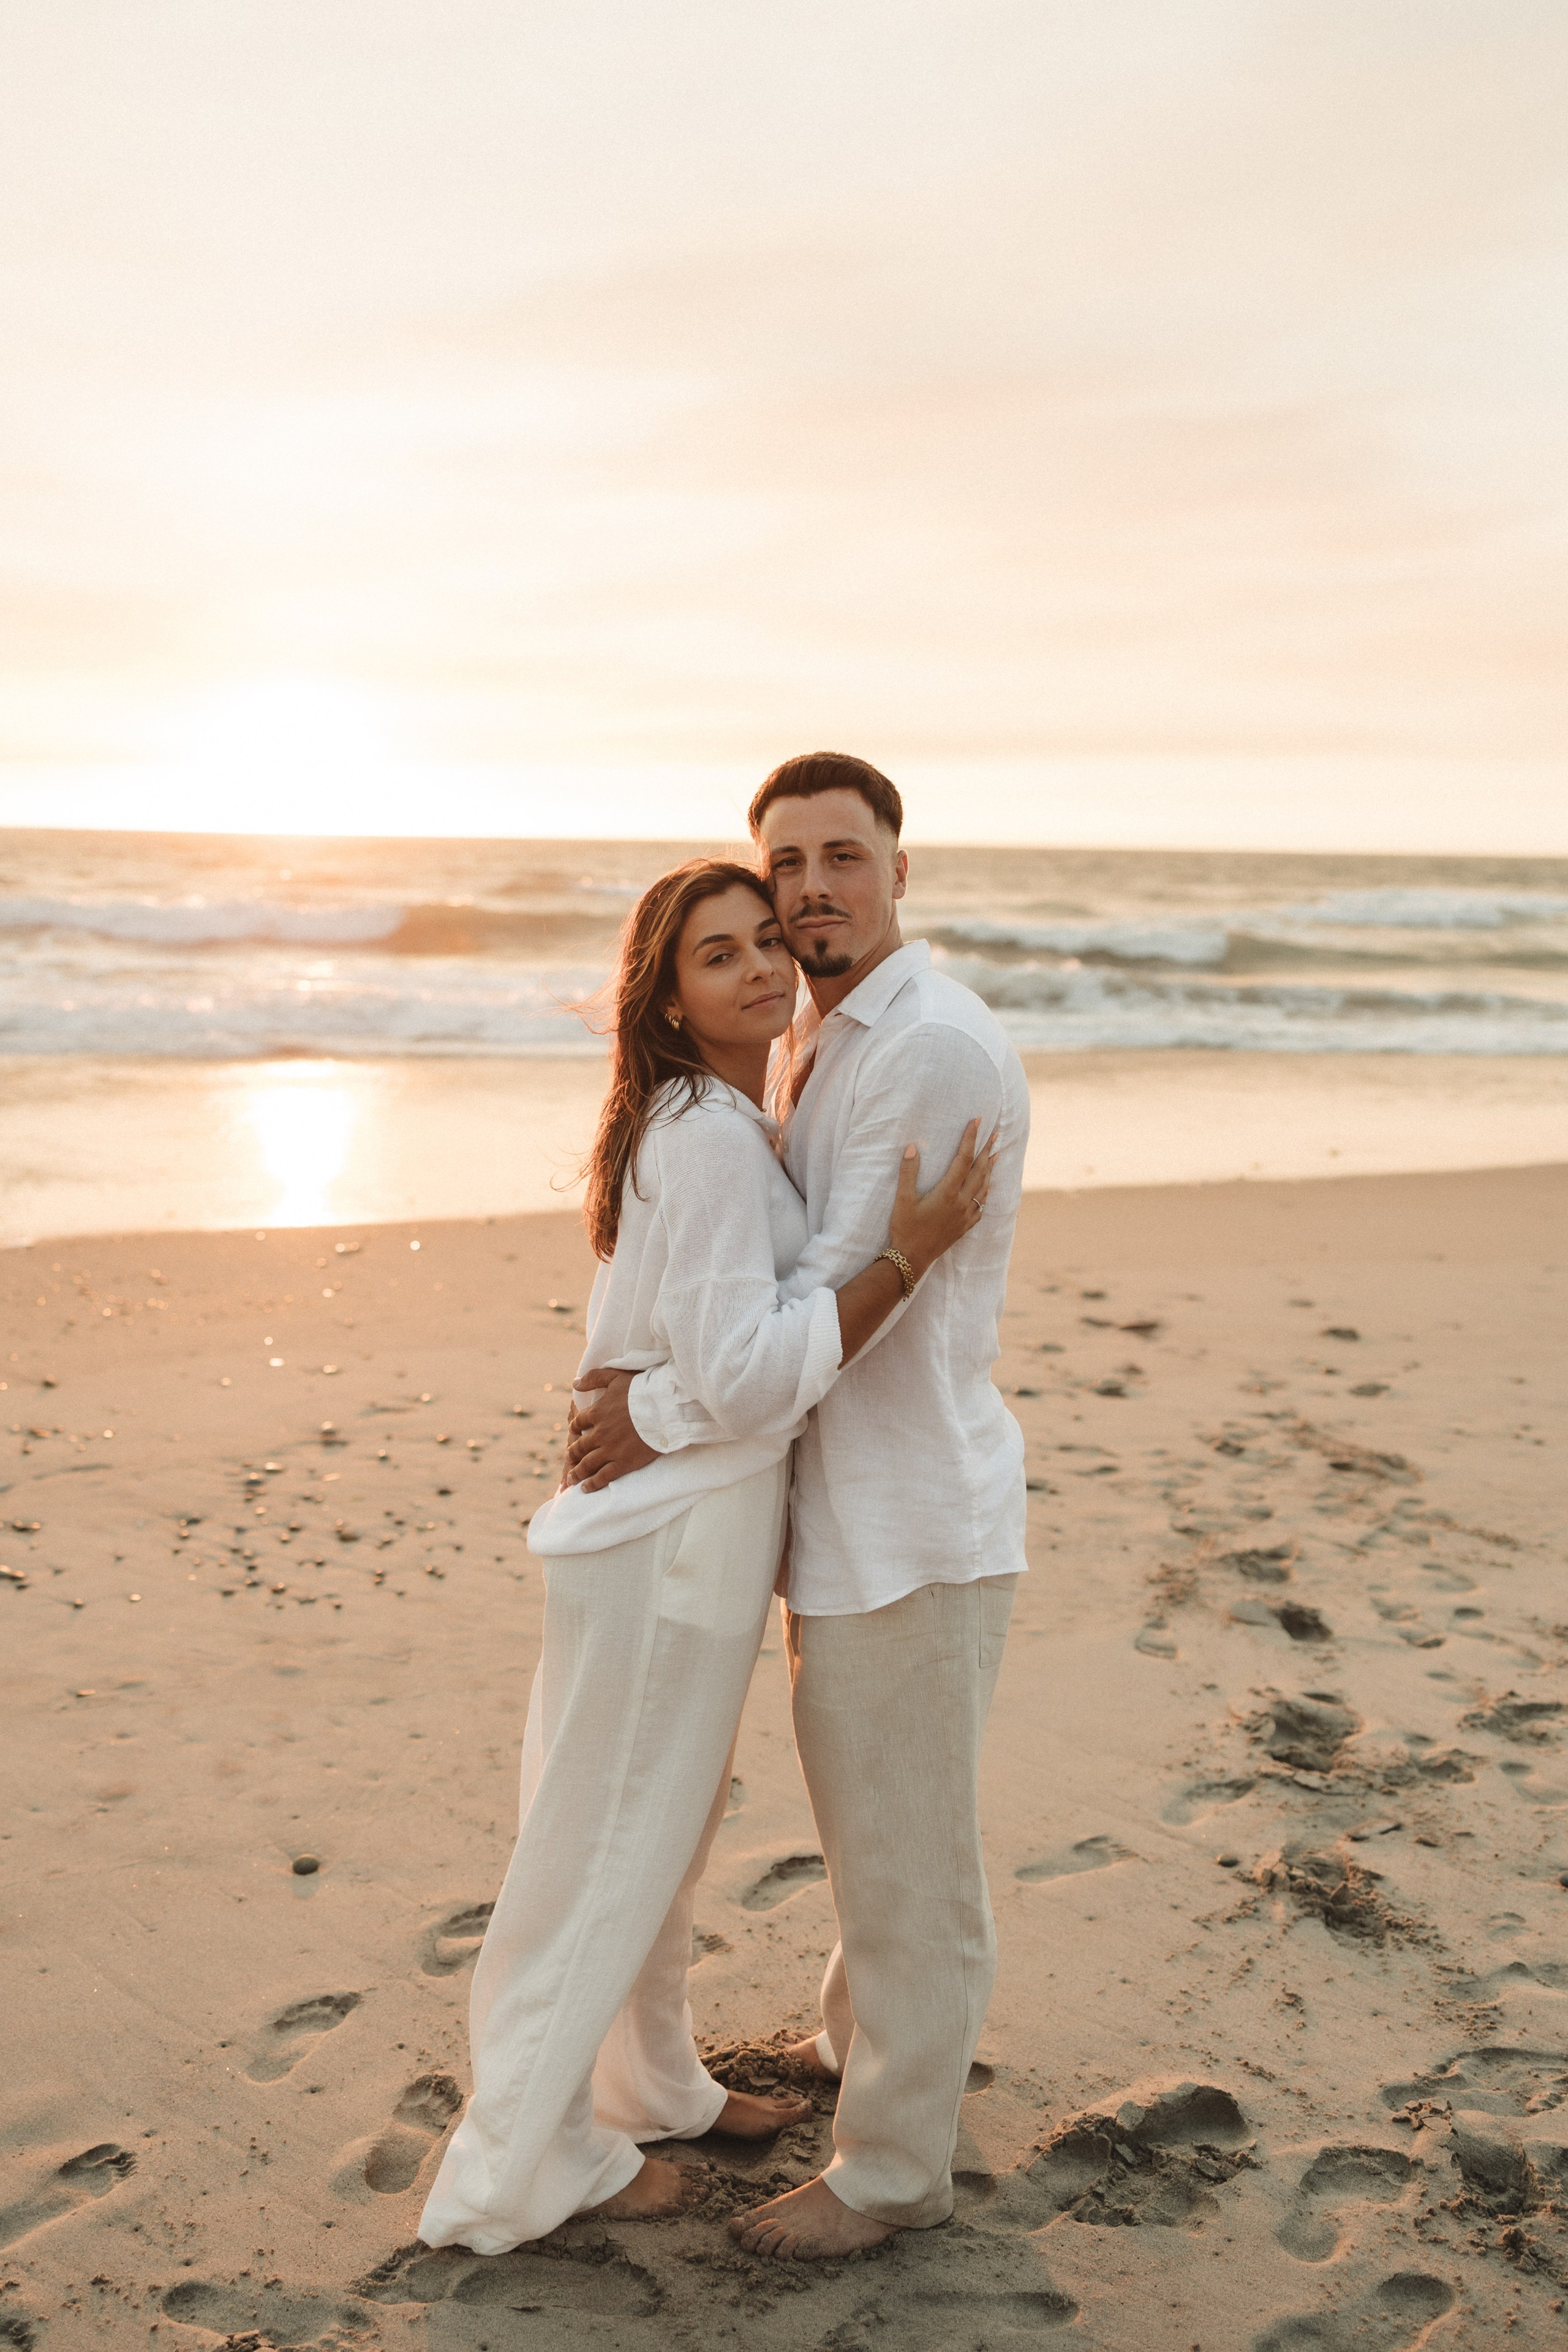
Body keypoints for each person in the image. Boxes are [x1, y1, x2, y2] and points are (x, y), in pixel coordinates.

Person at [417, 854, 993, 2255]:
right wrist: (900, 1262)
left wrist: (665, 1397)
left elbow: (690, 1354)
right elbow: (739, 1377)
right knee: (608, 1847)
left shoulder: (702, 1118)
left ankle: (647, 2087)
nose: (757, 968)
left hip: (667, 1533)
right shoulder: (714, 1136)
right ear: (666, 1003)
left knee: (652, 1834)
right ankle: (520, 2169)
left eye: (760, 945)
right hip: (670, 1540)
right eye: (714, 955)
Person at [565, 753, 1030, 2260]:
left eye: (843, 856)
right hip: (836, 1510)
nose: (812, 888)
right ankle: (868, 2049)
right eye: (787, 867)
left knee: (907, 1860)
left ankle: (893, 2170)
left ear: (901, 870)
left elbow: (837, 1299)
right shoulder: (820, 1033)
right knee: (873, 1835)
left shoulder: (926, 1051)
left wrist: (649, 1409)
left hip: (906, 1518)